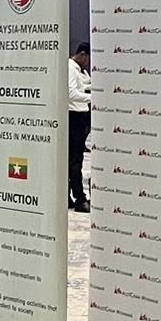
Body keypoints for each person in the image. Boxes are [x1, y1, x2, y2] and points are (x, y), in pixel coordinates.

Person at [67, 42, 93, 213]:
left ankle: (69, 195)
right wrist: (93, 97)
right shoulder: (70, 68)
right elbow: (71, 94)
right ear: (83, 54)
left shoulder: (79, 70)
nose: (88, 64)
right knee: (75, 161)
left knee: (74, 160)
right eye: (88, 59)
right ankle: (79, 198)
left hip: (79, 116)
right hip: (73, 116)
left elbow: (81, 87)